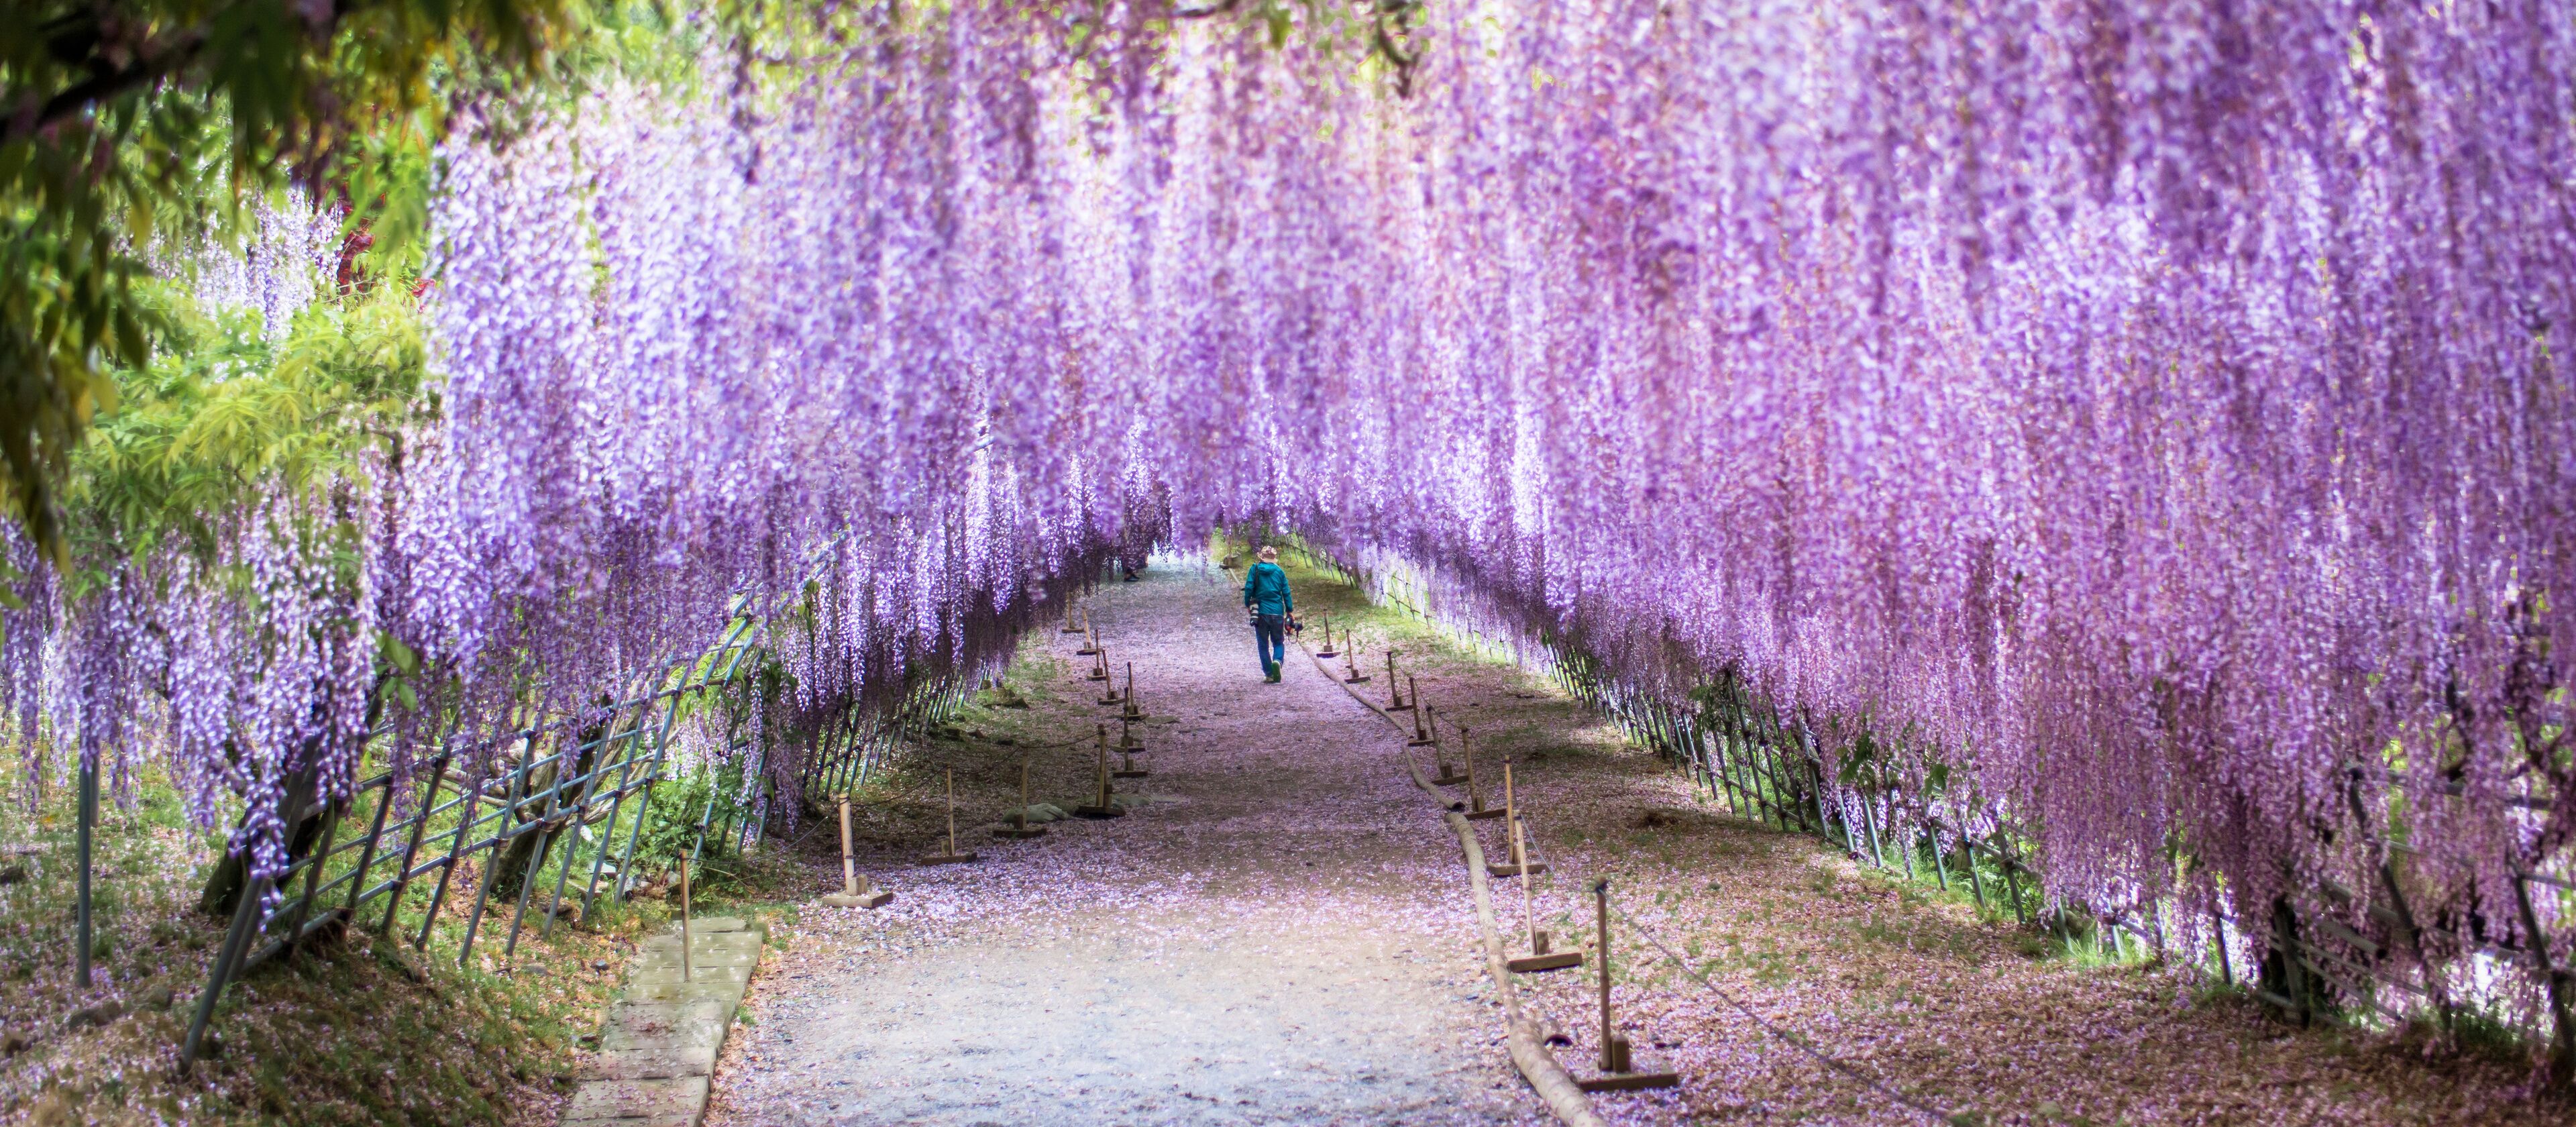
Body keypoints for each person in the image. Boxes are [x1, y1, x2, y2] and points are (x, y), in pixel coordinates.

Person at [1242, 545, 1295, 682]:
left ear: (1261, 557)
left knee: (1263, 643)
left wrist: (1248, 604)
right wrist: (1289, 610)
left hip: (1260, 612)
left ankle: (1269, 674)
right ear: (1274, 559)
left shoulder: (1255, 569)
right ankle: (1277, 661)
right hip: (1277, 612)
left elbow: (1249, 587)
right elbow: (1286, 592)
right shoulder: (1279, 572)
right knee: (1278, 641)